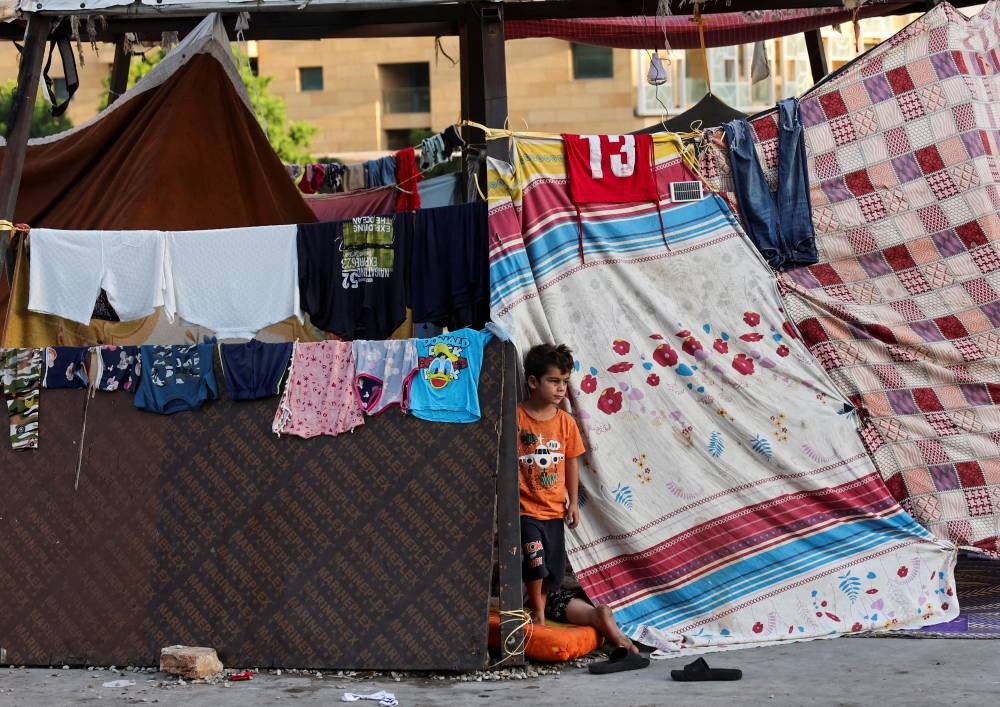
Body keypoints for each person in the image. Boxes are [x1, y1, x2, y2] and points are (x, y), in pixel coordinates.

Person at [518, 343, 638, 654]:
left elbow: (571, 461)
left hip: (554, 511)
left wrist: (572, 502)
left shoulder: (565, 422)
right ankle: (540, 615)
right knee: (535, 562)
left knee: (554, 572)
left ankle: (545, 608)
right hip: (525, 509)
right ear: (533, 382)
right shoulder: (516, 419)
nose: (560, 389)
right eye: (553, 381)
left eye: (564, 382)